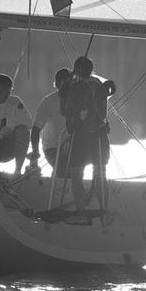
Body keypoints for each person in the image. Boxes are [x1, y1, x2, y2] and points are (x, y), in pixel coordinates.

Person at [59, 56, 111, 211]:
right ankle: (103, 209)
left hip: (82, 136)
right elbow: (103, 112)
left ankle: (81, 210)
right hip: (98, 135)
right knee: (100, 174)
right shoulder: (99, 84)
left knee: (77, 174)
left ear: (76, 70)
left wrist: (65, 91)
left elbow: (63, 110)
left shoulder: (73, 86)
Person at [30, 67, 73, 172]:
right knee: (64, 171)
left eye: (71, 83)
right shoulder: (48, 102)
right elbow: (35, 129)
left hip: (73, 146)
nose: (69, 86)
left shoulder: (78, 100)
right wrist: (35, 154)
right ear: (58, 84)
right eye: (66, 83)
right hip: (53, 149)